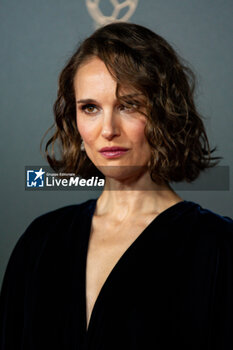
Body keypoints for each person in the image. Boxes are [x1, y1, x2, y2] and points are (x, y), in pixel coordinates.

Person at [0, 22, 232, 350]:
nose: (107, 129)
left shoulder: (218, 249)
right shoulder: (41, 241)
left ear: (164, 113)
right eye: (90, 108)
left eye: (128, 105)